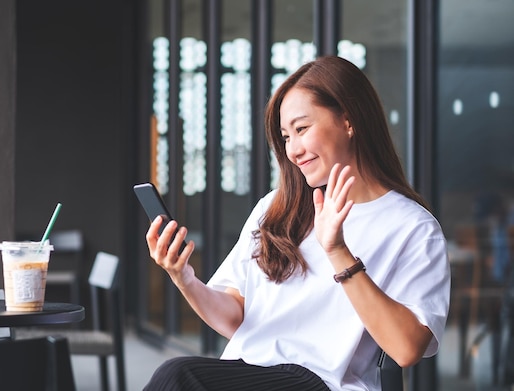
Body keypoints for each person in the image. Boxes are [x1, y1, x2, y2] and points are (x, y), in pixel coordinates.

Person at [142, 55, 450, 391]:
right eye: (286, 137)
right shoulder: (276, 207)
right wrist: (184, 278)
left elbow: (406, 350)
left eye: (302, 129)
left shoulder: (413, 228)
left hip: (324, 382)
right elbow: (235, 319)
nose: (293, 150)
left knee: (179, 377)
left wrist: (337, 250)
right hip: (252, 370)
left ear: (348, 120)